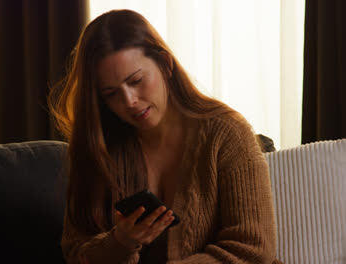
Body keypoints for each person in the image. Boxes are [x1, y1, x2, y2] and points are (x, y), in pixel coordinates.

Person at [49, 9, 282, 264]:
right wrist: (120, 243)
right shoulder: (97, 148)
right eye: (111, 93)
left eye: (136, 80)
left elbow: (253, 248)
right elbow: (76, 253)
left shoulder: (226, 134)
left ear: (165, 65)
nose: (130, 101)